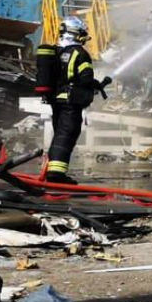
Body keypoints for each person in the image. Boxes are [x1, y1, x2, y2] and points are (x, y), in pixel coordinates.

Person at [44, 17, 110, 184]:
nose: (84, 37)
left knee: (59, 133)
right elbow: (85, 78)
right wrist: (94, 85)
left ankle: (51, 169)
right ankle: (56, 175)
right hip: (71, 102)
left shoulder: (56, 52)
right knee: (67, 135)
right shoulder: (80, 53)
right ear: (75, 34)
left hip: (56, 100)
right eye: (82, 33)